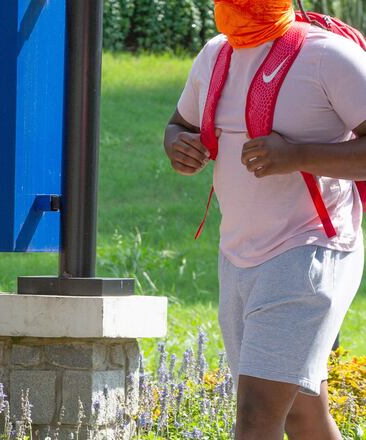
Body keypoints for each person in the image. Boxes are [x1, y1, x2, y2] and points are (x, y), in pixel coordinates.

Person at [163, 0, 366, 438]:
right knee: (301, 414)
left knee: (256, 415)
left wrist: (296, 156)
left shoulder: (329, 55)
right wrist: (178, 144)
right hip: (238, 256)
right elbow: (179, 123)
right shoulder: (215, 53)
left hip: (310, 251)